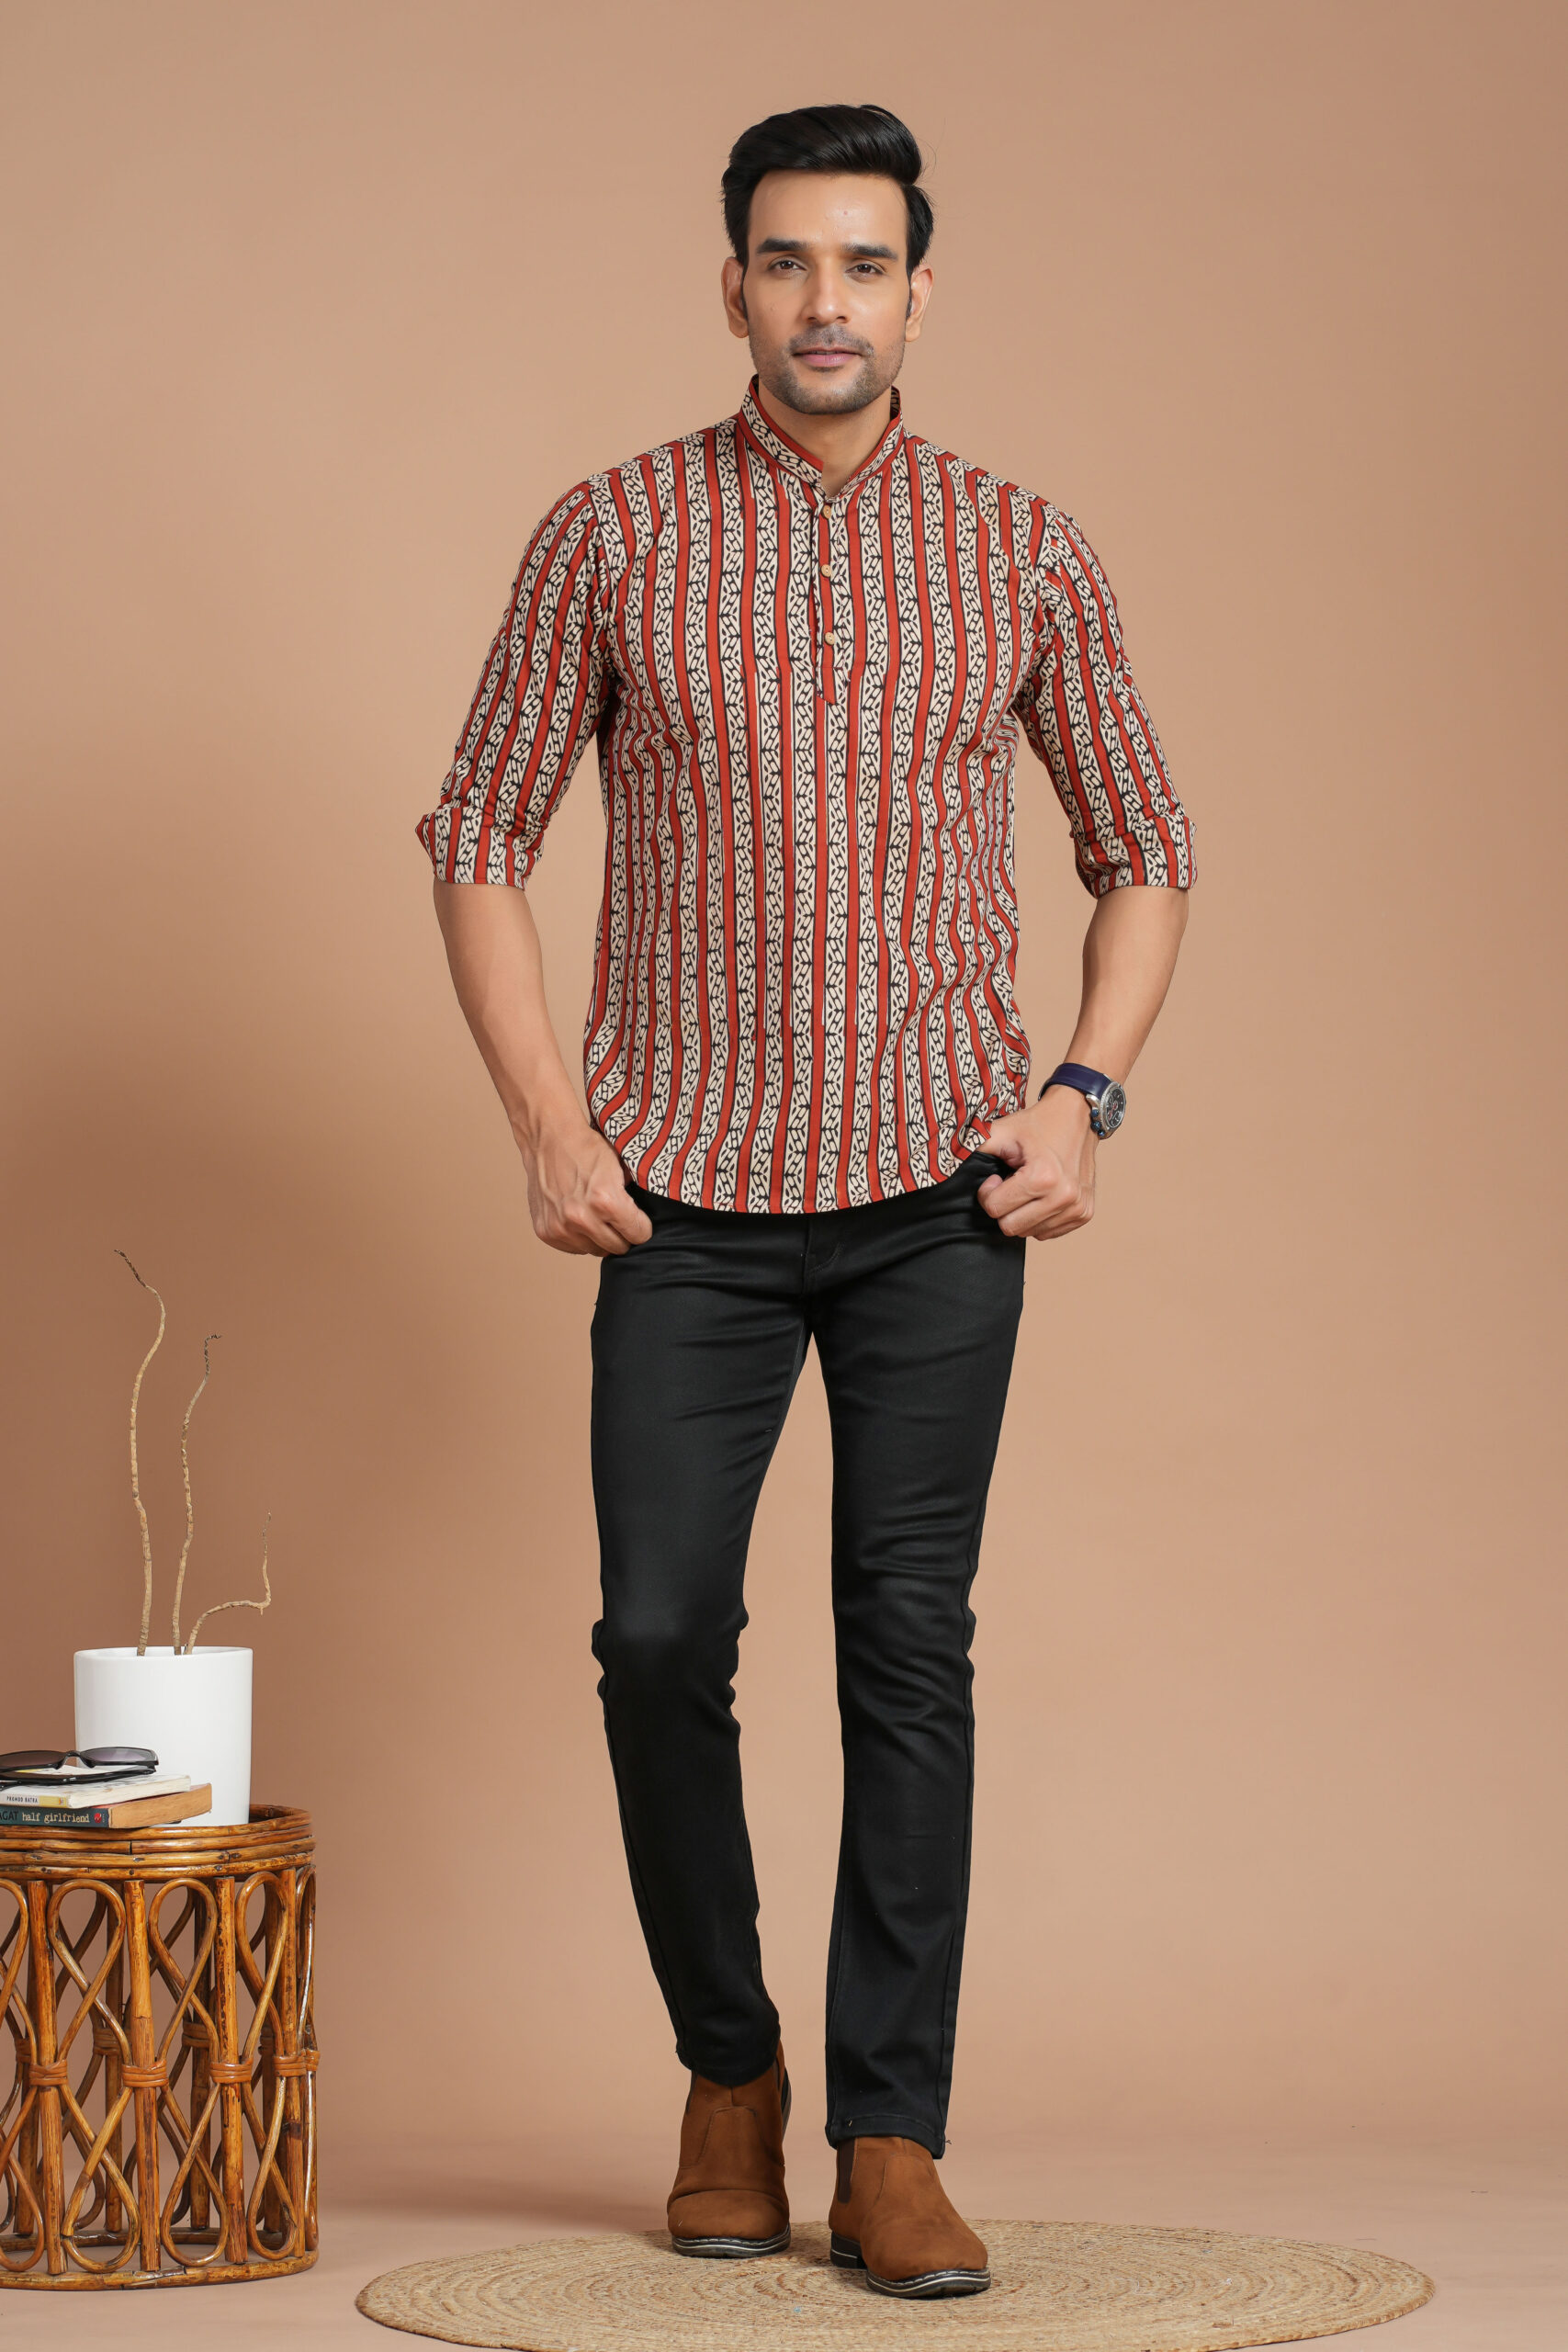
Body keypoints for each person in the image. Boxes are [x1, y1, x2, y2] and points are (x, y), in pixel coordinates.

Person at [419, 102, 1193, 2301]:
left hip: (945, 1189)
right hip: (681, 1195)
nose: (822, 300)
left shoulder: (1021, 547)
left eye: (861, 262)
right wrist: (546, 1120)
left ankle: (889, 2131)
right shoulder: (609, 533)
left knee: (904, 1639)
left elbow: (1142, 847)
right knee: (658, 1633)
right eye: (785, 260)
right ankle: (727, 2073)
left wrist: (1081, 1094)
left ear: (917, 290)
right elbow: (475, 836)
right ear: (731, 286)